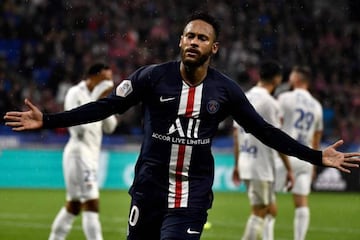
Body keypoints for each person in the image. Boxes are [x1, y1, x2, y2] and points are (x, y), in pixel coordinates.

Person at [4, 12, 360, 240]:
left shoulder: (225, 90)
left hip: (190, 197)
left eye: (202, 38)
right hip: (148, 189)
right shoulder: (152, 77)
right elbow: (106, 106)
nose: (193, 42)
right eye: (189, 36)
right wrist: (48, 120)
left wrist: (316, 157)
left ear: (214, 47)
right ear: (180, 41)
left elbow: (264, 130)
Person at [48, 63, 118, 240]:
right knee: (92, 203)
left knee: (74, 206)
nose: (109, 83)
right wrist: (95, 100)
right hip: (78, 153)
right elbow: (78, 129)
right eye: (106, 79)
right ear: (94, 77)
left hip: (91, 155)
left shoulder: (100, 98)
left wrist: (104, 103)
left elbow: (110, 127)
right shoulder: (75, 93)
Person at [232, 60, 294, 240]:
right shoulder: (270, 103)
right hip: (261, 165)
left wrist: (237, 164)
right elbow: (278, 141)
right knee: (260, 211)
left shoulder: (243, 97)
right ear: (277, 79)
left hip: (246, 161)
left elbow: (236, 135)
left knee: (270, 209)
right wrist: (289, 169)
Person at [276, 66, 323, 240]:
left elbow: (275, 123)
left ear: (296, 79)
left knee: (267, 201)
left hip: (285, 155)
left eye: (291, 75)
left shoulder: (285, 98)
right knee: (302, 202)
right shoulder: (317, 106)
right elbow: (317, 137)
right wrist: (314, 163)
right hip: (306, 157)